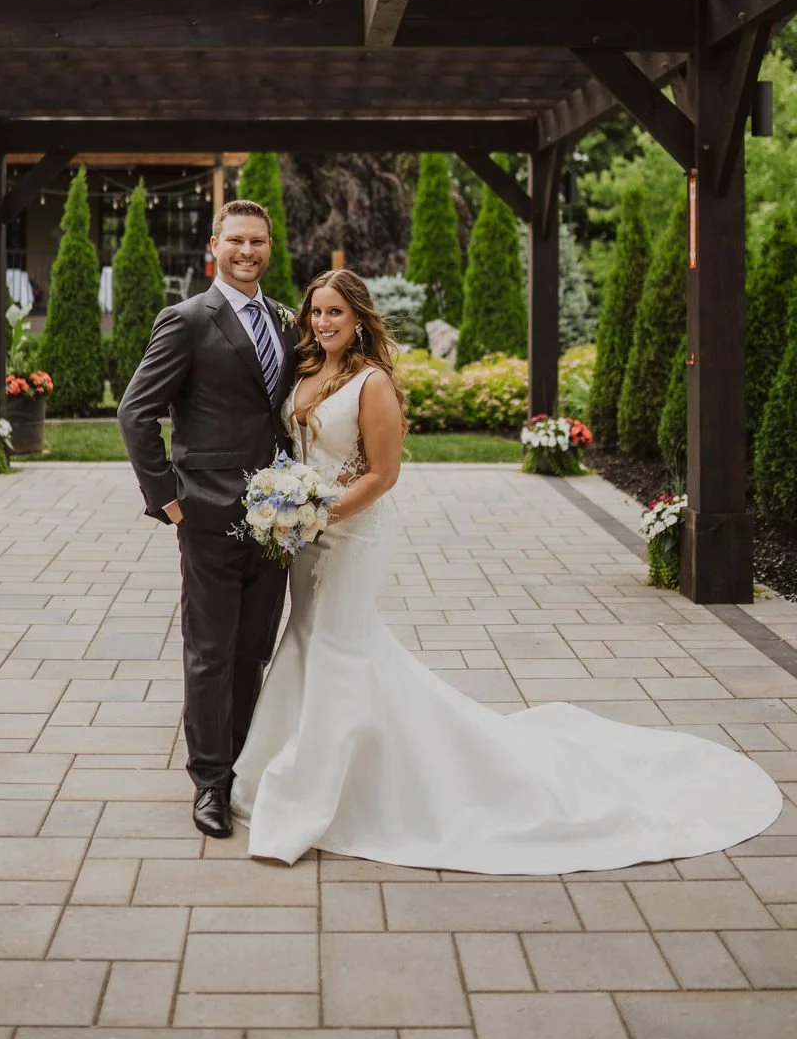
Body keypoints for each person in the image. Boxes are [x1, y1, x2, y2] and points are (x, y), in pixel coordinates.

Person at [231, 268, 783, 873]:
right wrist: (287, 507)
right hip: (306, 536)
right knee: (313, 640)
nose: (323, 322)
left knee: (337, 645)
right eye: (316, 312)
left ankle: (312, 796)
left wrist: (320, 511)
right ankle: (327, 767)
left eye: (336, 312)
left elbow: (383, 475)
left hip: (352, 534)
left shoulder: (372, 383)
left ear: (360, 318)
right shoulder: (307, 370)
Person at [118, 200, 298, 839]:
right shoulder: (189, 320)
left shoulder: (283, 319)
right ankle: (210, 785)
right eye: (236, 241)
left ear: (269, 248)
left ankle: (245, 766)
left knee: (253, 651)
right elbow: (136, 411)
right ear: (214, 245)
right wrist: (165, 494)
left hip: (279, 519)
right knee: (211, 652)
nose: (247, 252)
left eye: (258, 242)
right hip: (209, 513)